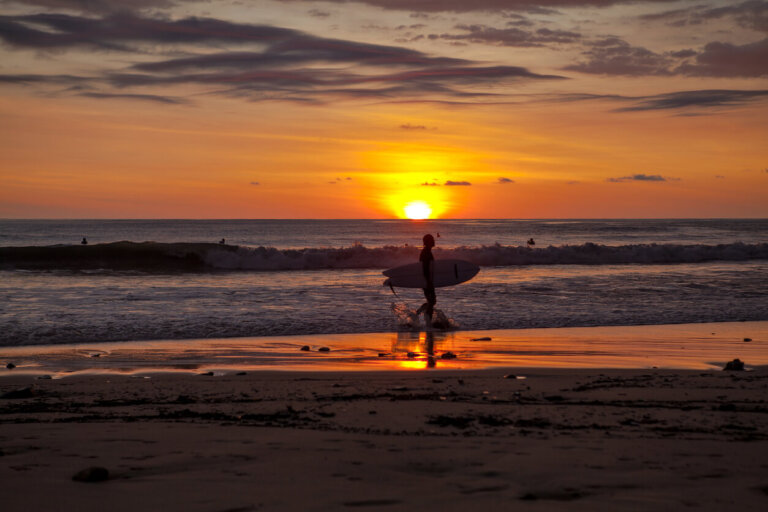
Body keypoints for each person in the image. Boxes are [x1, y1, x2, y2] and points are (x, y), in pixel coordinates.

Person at [415, 234, 436, 325]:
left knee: (432, 301)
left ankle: (419, 312)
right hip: (426, 280)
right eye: (432, 240)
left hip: (427, 280)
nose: (434, 241)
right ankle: (428, 324)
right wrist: (428, 282)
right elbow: (425, 268)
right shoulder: (426, 252)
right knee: (431, 302)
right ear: (427, 242)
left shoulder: (427, 251)